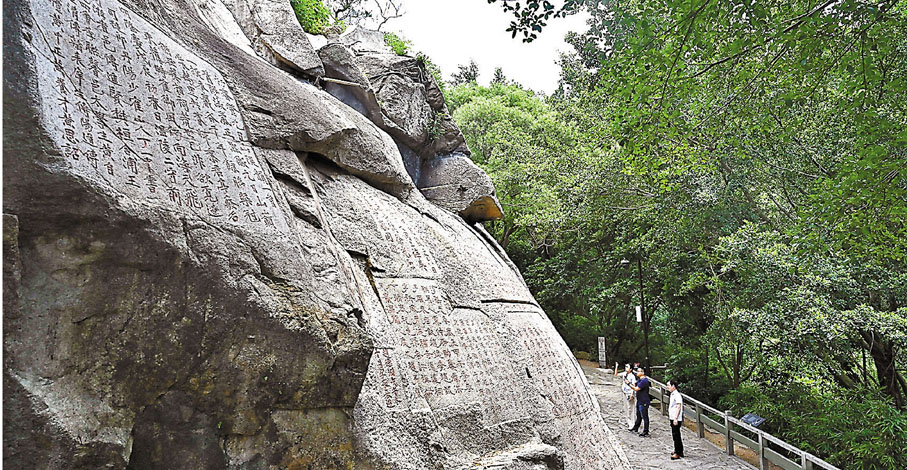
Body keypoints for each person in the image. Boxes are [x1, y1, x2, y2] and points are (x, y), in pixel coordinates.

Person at [629, 367, 650, 437]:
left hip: (644, 401)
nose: (637, 372)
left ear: (643, 372)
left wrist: (628, 384)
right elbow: (635, 384)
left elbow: (636, 388)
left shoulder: (644, 381)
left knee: (644, 416)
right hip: (639, 400)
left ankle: (646, 431)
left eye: (638, 371)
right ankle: (636, 427)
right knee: (638, 415)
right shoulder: (640, 380)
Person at [615, 364, 637, 428]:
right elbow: (616, 374)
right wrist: (616, 366)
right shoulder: (624, 374)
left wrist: (632, 394)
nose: (626, 368)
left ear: (631, 369)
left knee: (630, 408)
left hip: (629, 393)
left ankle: (632, 422)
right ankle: (628, 421)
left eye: (627, 367)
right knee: (626, 407)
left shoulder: (632, 376)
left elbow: (634, 385)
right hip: (624, 392)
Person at [667, 380, 684, 459]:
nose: (668, 387)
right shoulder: (672, 394)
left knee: (676, 435)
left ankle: (678, 452)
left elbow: (679, 406)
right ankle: (677, 449)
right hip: (672, 417)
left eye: (669, 385)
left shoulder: (677, 395)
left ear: (673, 386)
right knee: (675, 435)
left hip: (676, 418)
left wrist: (676, 418)